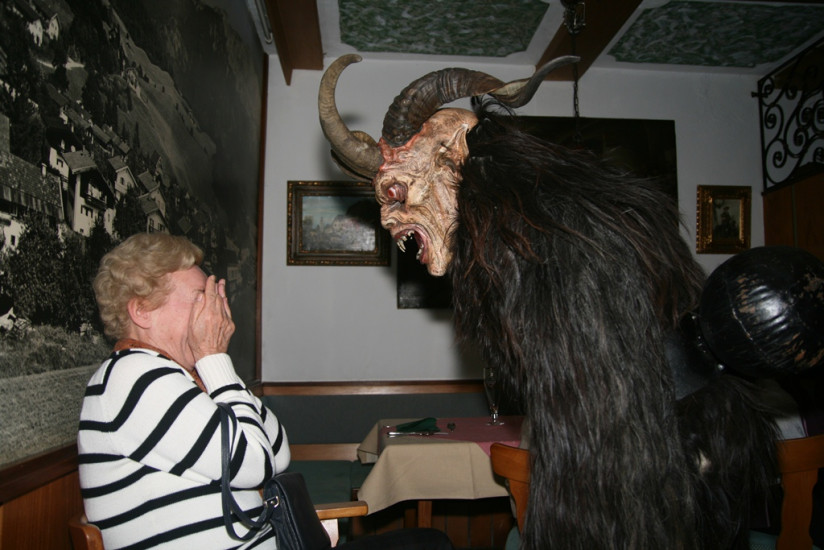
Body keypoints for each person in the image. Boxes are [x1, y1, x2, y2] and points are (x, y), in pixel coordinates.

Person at [78, 233, 453, 550]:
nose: (214, 311)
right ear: (142, 311)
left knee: (430, 541)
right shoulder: (133, 377)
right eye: (199, 297)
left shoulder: (178, 377)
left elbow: (277, 450)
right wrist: (213, 358)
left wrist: (213, 367)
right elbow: (255, 462)